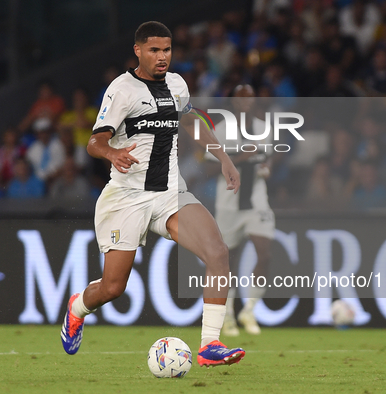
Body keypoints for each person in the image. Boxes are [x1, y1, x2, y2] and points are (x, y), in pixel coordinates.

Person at [60, 21, 245, 367]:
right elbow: (94, 141)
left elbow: (192, 122)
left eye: (167, 50)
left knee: (217, 252)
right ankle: (77, 307)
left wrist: (223, 157)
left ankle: (209, 345)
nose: (162, 57)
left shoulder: (176, 84)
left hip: (169, 193)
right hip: (127, 198)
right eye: (154, 50)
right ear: (138, 51)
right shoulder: (122, 90)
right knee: (113, 287)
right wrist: (113, 153)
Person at [203, 85, 275, 336]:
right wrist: (240, 158)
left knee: (264, 253)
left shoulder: (263, 128)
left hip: (256, 201)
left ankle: (250, 310)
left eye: (250, 97)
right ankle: (229, 314)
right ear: (234, 102)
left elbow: (268, 161)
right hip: (229, 204)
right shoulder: (221, 131)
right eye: (241, 98)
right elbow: (209, 170)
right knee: (227, 261)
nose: (246, 102)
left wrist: (266, 168)